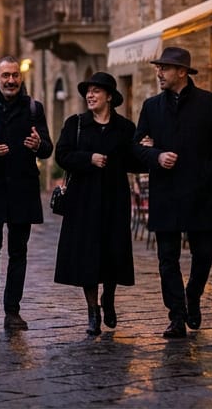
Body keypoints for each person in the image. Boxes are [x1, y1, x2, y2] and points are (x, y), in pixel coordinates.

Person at [132, 47, 212, 338]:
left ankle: (193, 295)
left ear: (182, 72)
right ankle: (176, 315)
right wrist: (157, 157)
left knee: (204, 253)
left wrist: (208, 173)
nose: (159, 73)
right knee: (167, 258)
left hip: (199, 191)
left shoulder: (210, 104)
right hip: (165, 192)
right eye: (158, 68)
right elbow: (137, 146)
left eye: (164, 68)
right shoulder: (151, 107)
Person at [53, 72, 139, 336]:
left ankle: (108, 298)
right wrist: (88, 158)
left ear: (109, 96)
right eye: (88, 91)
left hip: (115, 198)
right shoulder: (75, 123)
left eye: (96, 91)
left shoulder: (125, 128)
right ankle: (92, 311)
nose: (90, 95)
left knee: (113, 252)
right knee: (87, 256)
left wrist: (147, 150)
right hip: (83, 200)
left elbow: (133, 163)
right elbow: (62, 156)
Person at [0, 56, 53, 331]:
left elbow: (47, 148)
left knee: (19, 251)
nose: (11, 80)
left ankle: (12, 309)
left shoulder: (33, 108)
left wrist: (38, 143)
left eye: (15, 75)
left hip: (22, 188)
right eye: (5, 75)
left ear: (20, 77)